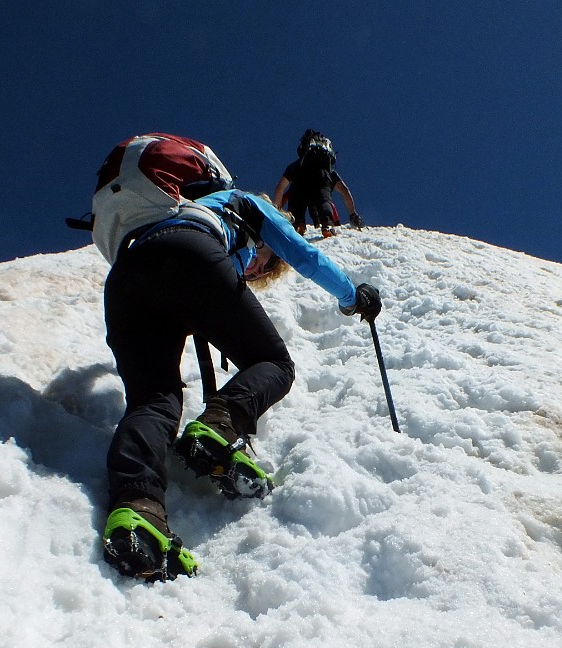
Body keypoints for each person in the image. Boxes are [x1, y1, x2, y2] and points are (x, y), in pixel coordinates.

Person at [101, 185, 382, 582]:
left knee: (154, 399)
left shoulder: (178, 212)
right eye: (266, 263)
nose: (256, 270)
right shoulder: (245, 204)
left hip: (126, 280)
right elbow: (304, 253)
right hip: (190, 252)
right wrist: (353, 296)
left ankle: (136, 506)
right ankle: (218, 426)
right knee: (275, 363)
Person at [273, 130, 365, 238]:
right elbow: (344, 191)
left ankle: (297, 225)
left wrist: (276, 213)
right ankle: (327, 226)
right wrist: (353, 214)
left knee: (297, 200)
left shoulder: (296, 165)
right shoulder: (328, 169)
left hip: (300, 178)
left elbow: (280, 188)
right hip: (322, 177)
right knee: (324, 201)